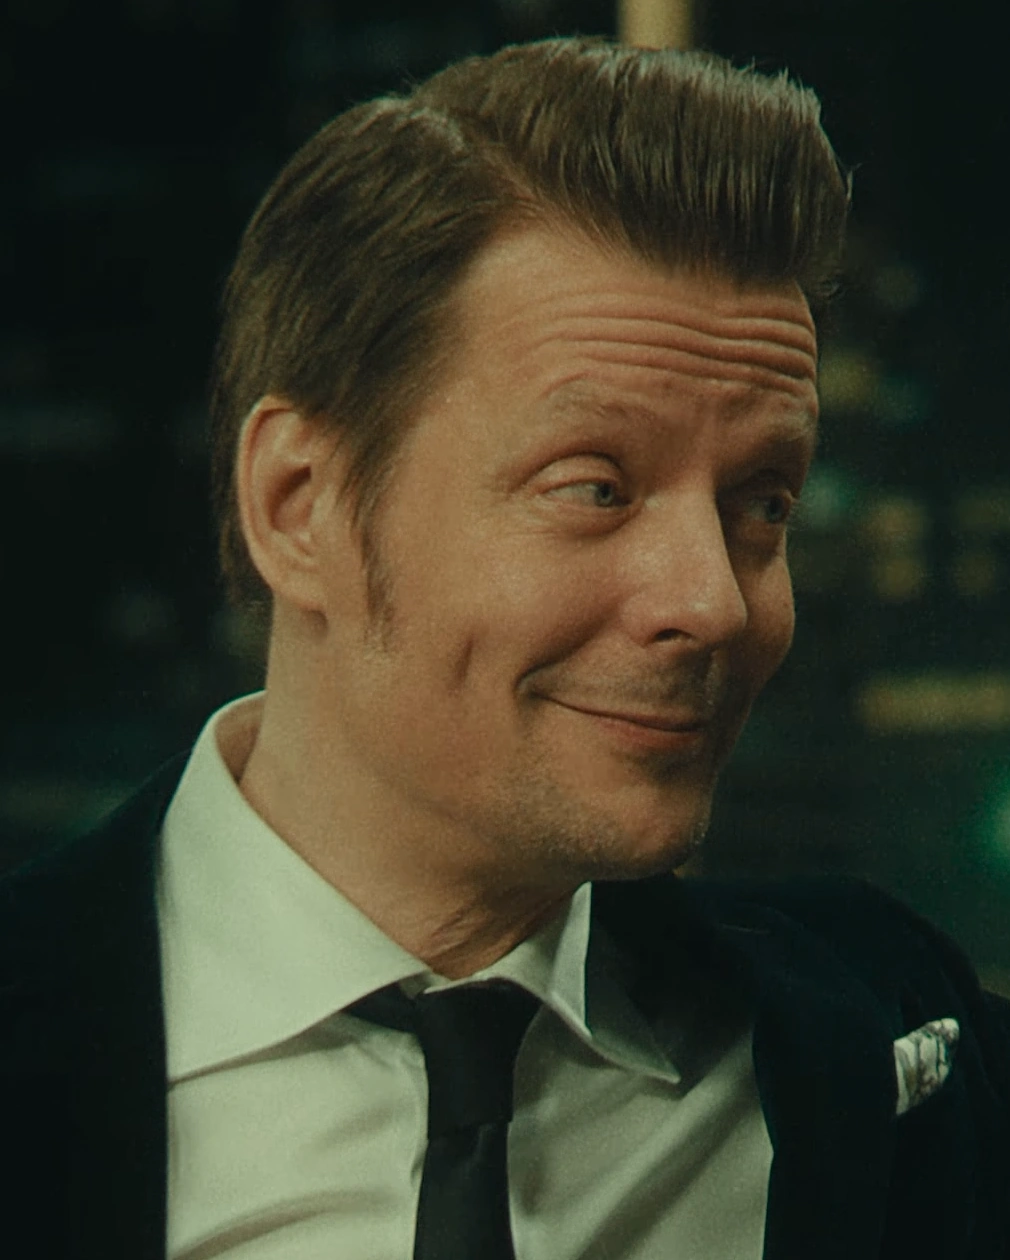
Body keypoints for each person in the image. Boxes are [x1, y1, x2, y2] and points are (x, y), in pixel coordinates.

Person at [2, 35, 1009, 1260]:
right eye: (594, 487)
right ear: (298, 506)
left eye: (761, 504)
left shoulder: (883, 1032)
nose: (714, 602)